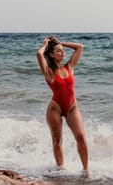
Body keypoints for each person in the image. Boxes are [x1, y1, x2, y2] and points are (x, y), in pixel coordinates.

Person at [36, 36, 89, 177]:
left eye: (63, 51)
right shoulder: (49, 72)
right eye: (59, 51)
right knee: (57, 141)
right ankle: (60, 170)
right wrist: (45, 44)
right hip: (55, 108)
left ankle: (86, 170)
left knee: (81, 137)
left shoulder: (69, 67)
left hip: (72, 107)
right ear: (52, 54)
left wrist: (60, 42)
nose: (63, 53)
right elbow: (39, 54)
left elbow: (80, 47)